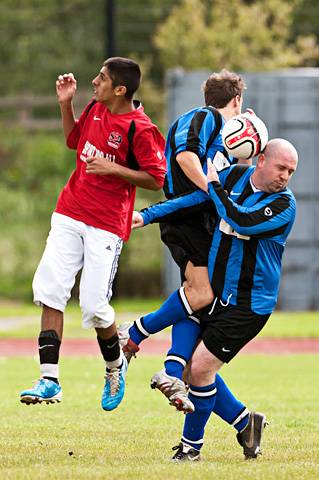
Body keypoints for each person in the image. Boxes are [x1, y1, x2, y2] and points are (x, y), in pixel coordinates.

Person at [133, 138, 298, 461]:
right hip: (220, 291)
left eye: (291, 171)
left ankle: (190, 450)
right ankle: (245, 422)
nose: (285, 176)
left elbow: (240, 220)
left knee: (201, 369)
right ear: (260, 159)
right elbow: (194, 200)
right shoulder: (234, 177)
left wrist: (214, 185)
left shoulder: (284, 205)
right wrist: (148, 215)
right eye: (281, 167)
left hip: (249, 305)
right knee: (191, 348)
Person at [19, 57, 166, 411]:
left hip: (106, 223)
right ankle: (49, 379)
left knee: (95, 308)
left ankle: (115, 367)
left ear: (120, 89)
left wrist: (114, 169)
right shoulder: (94, 108)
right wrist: (66, 104)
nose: (93, 81)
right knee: (51, 289)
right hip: (70, 211)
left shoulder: (141, 129)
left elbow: (156, 178)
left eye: (101, 78)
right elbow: (74, 141)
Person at [121, 70, 249, 411]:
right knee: (202, 293)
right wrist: (214, 191)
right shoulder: (203, 117)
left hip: (202, 223)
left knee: (196, 302)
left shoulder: (227, 140)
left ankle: (174, 370)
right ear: (236, 99)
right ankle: (134, 333)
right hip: (187, 222)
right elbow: (185, 158)